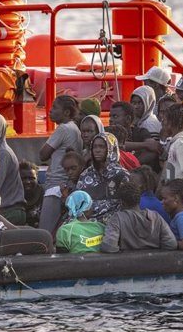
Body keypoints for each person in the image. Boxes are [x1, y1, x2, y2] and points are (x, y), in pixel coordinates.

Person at [38, 95, 83, 235]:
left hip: (56, 184)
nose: (50, 110)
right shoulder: (75, 128)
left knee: (45, 230)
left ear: (66, 112)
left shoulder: (63, 129)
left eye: (54, 107)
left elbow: (43, 154)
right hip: (67, 183)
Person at [101, 182, 177, 253]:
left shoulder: (117, 218)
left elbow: (109, 246)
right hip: (154, 263)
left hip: (126, 264)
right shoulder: (156, 217)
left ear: (122, 202)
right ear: (139, 199)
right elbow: (171, 244)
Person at [76, 132, 130, 223]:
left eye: (102, 147)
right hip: (86, 222)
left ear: (111, 148)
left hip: (113, 224)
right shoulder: (86, 175)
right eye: (95, 147)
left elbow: (127, 205)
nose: (97, 150)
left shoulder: (122, 175)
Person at [109, 101, 159, 171]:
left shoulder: (140, 132)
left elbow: (154, 147)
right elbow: (115, 145)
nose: (110, 120)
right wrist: (144, 145)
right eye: (110, 116)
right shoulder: (107, 134)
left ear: (128, 119)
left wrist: (132, 164)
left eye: (115, 116)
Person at [159, 179, 183, 252]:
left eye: (164, 198)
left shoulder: (182, 218)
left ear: (176, 198)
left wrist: (169, 243)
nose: (161, 202)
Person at [20, 160, 44, 229]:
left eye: (31, 178)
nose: (27, 182)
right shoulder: (11, 195)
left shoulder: (45, 195)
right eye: (24, 178)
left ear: (37, 178)